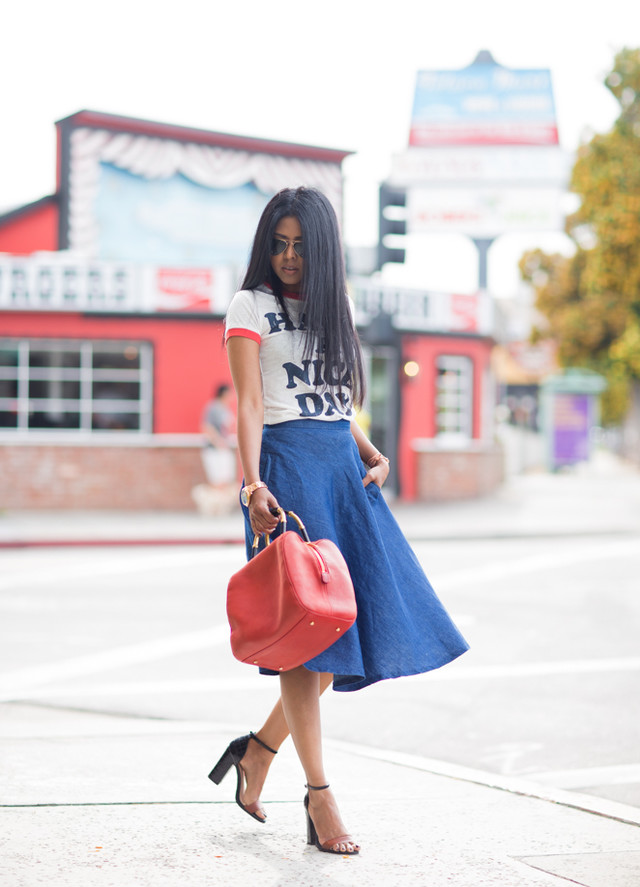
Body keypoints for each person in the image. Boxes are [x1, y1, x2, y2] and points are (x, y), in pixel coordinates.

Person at [209, 187, 469, 855]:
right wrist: (251, 484)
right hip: (287, 474)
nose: (289, 257)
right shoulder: (251, 306)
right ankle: (320, 794)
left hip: (342, 471)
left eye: (301, 245)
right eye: (279, 243)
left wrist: (369, 448)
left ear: (321, 250)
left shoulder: (331, 309)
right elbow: (250, 404)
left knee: (339, 627)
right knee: (305, 635)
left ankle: (257, 752)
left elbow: (330, 398)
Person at [200, 383, 236, 488]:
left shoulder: (225, 408)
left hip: (224, 447)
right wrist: (218, 442)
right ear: (224, 393)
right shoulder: (213, 407)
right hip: (214, 449)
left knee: (227, 479)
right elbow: (206, 426)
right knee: (217, 480)